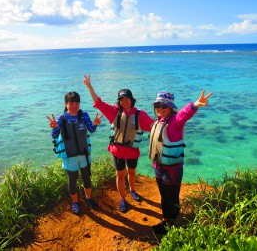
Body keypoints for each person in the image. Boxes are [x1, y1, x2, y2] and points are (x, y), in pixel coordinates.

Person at [84, 74, 154, 213]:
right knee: (120, 175)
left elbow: (154, 126)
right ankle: (123, 199)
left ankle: (132, 190)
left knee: (132, 172)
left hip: (132, 150)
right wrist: (89, 86)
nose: (124, 101)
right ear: (119, 101)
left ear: (131, 100)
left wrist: (172, 121)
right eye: (121, 99)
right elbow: (98, 102)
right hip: (117, 150)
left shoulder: (140, 115)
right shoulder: (114, 112)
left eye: (127, 98)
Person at [149, 90, 213, 235]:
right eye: (157, 106)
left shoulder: (174, 123)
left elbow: (183, 115)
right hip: (158, 167)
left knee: (171, 198)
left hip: (171, 169)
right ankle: (166, 220)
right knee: (164, 196)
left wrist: (195, 105)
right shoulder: (158, 122)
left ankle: (171, 224)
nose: (160, 109)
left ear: (170, 108)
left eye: (164, 106)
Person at [46, 91, 103, 215]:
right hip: (70, 157)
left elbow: (91, 129)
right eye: (71, 103)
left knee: (87, 178)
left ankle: (88, 199)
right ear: (66, 104)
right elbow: (54, 135)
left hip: (84, 154)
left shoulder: (84, 115)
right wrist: (54, 127)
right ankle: (75, 202)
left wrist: (95, 123)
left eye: (77, 103)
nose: (74, 106)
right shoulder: (61, 119)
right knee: (72, 180)